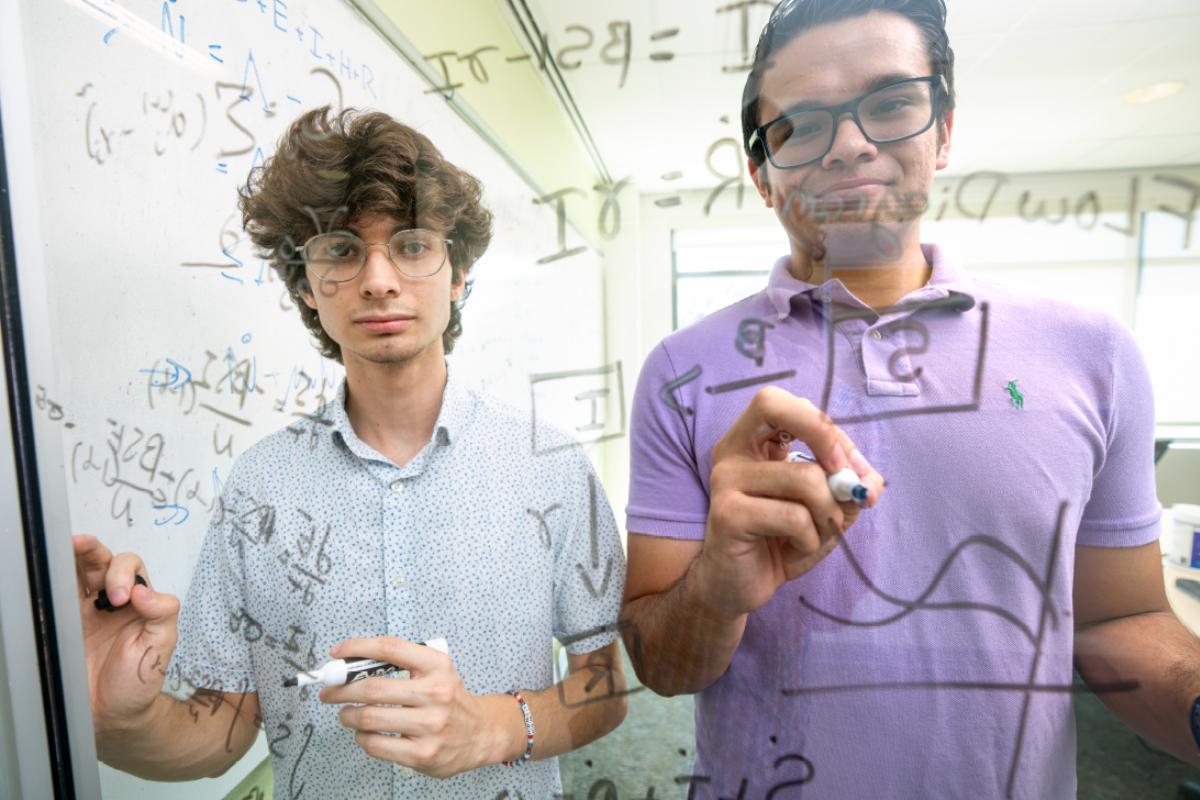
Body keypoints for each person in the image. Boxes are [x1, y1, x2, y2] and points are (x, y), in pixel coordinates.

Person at [620, 1, 1198, 797]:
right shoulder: (681, 372)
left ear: (944, 130)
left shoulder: (1094, 354)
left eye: (891, 104)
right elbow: (659, 664)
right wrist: (716, 590)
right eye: (804, 123)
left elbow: (1119, 621)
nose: (852, 143)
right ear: (762, 172)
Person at [74, 105, 627, 798]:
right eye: (340, 249)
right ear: (306, 285)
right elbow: (221, 734)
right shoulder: (261, 485)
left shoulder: (552, 465)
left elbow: (603, 686)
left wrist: (488, 727)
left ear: (456, 275)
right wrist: (112, 718)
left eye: (412, 245)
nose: (379, 279)